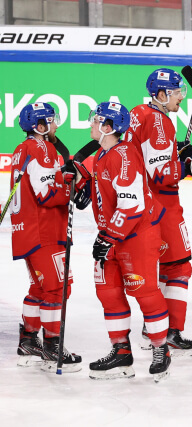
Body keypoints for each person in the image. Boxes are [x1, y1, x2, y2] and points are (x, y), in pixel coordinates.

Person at [76, 101, 171, 381]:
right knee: (108, 292)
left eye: (95, 120)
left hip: (136, 236)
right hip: (112, 235)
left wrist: (109, 236)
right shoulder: (105, 153)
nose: (91, 124)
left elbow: (131, 204)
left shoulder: (124, 154)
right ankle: (121, 353)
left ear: (108, 127)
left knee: (145, 292)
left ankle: (160, 349)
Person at [126, 68, 192, 356]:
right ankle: (170, 333)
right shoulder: (160, 121)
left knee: (163, 266)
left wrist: (177, 152)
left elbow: (144, 156)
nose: (181, 96)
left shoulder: (138, 112)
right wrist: (191, 166)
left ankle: (153, 326)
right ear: (162, 95)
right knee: (178, 266)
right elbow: (161, 173)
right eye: (177, 92)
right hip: (161, 205)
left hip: (139, 202)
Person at [11, 102, 83, 372]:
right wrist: (71, 188)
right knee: (56, 289)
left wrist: (62, 178)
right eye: (52, 122)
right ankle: (53, 347)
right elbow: (46, 193)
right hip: (46, 232)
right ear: (39, 127)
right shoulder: (41, 148)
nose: (56, 126)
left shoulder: (22, 150)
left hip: (27, 233)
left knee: (40, 289)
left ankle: (28, 342)